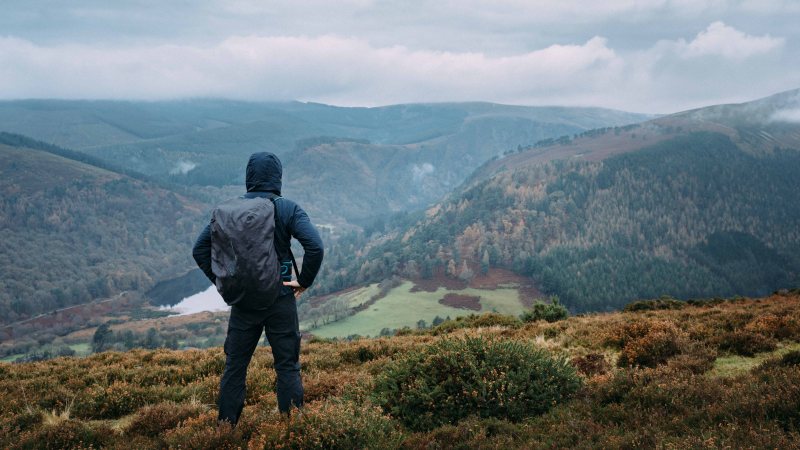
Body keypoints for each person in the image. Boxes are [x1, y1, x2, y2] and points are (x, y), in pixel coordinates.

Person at [192, 151, 324, 425]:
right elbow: (315, 246)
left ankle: (225, 432)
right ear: (278, 177)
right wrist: (304, 281)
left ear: (249, 177)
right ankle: (292, 430)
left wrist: (225, 281)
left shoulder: (230, 212)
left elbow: (199, 249)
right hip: (281, 297)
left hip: (243, 301)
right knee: (287, 366)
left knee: (235, 368)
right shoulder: (287, 208)